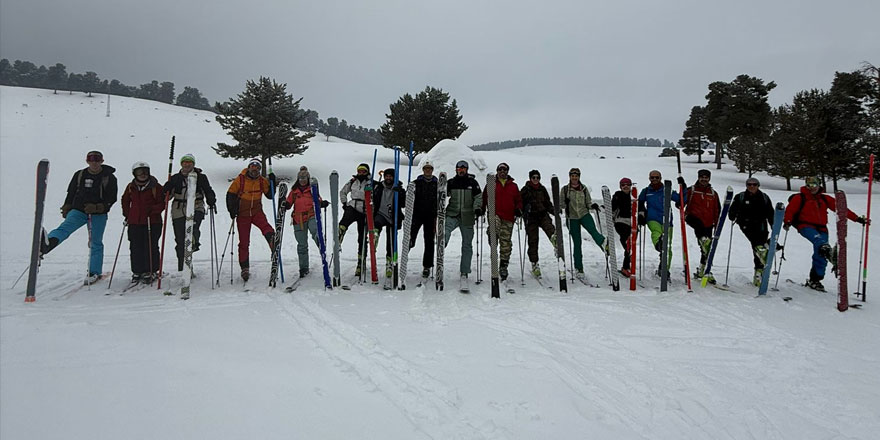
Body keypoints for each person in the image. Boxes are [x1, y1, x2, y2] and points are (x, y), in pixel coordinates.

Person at [41, 150, 118, 285]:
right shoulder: (80, 174)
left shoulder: (109, 178)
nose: (94, 162)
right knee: (65, 228)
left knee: (95, 242)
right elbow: (71, 192)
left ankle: (94, 272)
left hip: (98, 214)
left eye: (97, 159)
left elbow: (111, 199)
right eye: (91, 159)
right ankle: (48, 244)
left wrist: (98, 208)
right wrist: (67, 206)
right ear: (87, 161)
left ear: (102, 161)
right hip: (78, 210)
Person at [783, 176, 868, 291]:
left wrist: (857, 219)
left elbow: (842, 210)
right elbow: (790, 210)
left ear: (819, 185)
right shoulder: (799, 197)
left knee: (820, 253)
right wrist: (787, 222)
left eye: (814, 185)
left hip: (822, 228)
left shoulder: (825, 199)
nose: (812, 188)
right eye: (809, 185)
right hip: (805, 226)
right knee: (820, 243)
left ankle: (815, 279)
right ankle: (831, 255)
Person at [163, 153, 216, 272]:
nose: (187, 164)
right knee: (180, 239)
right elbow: (167, 195)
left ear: (193, 164)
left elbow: (208, 190)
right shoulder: (175, 178)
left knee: (192, 229)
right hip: (178, 208)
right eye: (185, 162)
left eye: (190, 162)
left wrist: (211, 199)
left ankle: (193, 243)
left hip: (196, 206)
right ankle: (184, 266)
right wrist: (165, 190)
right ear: (181, 164)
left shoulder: (201, 177)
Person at [226, 158, 276, 281]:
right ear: (249, 167)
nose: (254, 170)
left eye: (257, 168)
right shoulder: (240, 180)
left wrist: (273, 182)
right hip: (242, 214)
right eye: (252, 167)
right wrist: (231, 210)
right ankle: (244, 268)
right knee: (244, 242)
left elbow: (269, 195)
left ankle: (274, 244)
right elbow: (230, 194)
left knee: (267, 228)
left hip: (256, 212)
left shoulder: (262, 181)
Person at [121, 161, 166, 284]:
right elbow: (125, 200)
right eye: (140, 172)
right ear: (134, 173)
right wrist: (128, 214)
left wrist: (153, 210)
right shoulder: (131, 186)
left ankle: (151, 270)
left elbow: (163, 202)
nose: (143, 174)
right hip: (135, 222)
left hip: (152, 221)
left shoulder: (155, 187)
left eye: (145, 172)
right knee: (135, 246)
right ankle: (137, 270)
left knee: (150, 246)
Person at [282, 168, 329, 278]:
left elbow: (318, 200)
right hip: (298, 219)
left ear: (308, 179)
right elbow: (289, 202)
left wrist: (322, 204)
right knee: (302, 245)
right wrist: (285, 205)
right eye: (300, 178)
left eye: (304, 178)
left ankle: (321, 244)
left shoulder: (312, 189)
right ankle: (303, 267)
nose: (302, 180)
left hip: (311, 215)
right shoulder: (294, 191)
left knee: (315, 231)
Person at [561, 167, 606, 280]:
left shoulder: (584, 189)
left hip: (584, 214)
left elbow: (588, 203)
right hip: (572, 218)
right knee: (577, 243)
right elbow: (561, 204)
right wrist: (564, 204)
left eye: (576, 176)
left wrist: (593, 206)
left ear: (579, 177)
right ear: (570, 177)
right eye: (572, 176)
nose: (574, 178)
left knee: (593, 231)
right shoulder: (565, 189)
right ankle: (579, 268)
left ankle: (604, 244)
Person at [728, 177, 774, 285]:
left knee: (758, 249)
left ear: (758, 185)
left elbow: (770, 212)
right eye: (749, 184)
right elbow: (733, 210)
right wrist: (732, 216)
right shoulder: (741, 197)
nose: (752, 186)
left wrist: (773, 225)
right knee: (756, 244)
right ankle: (761, 254)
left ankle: (758, 273)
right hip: (746, 224)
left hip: (762, 225)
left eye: (754, 184)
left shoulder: (764, 197)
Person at [444, 160, 483, 289]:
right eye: (459, 168)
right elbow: (442, 195)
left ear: (467, 170)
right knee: (445, 231)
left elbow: (478, 197)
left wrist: (477, 208)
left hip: (467, 216)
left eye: (463, 168)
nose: (461, 170)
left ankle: (464, 272)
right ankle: (440, 246)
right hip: (452, 213)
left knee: (467, 244)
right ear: (456, 169)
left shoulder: (472, 183)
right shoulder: (451, 182)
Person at [482, 163, 522, 281]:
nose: (502, 171)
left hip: (509, 217)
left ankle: (503, 266)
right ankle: (492, 234)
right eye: (500, 169)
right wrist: (481, 208)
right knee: (494, 224)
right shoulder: (491, 184)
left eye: (505, 170)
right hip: (496, 214)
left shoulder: (513, 186)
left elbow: (518, 200)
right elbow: (485, 198)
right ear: (497, 171)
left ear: (508, 171)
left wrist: (519, 209)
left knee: (506, 243)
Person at [679, 169, 720, 283]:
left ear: (709, 179)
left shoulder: (713, 193)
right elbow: (680, 202)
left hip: (708, 223)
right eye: (702, 177)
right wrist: (683, 188)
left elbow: (717, 210)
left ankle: (703, 270)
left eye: (706, 177)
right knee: (704, 239)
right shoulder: (692, 190)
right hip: (693, 218)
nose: (704, 179)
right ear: (698, 177)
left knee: (706, 248)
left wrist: (717, 225)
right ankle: (703, 240)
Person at [638, 170, 680, 277]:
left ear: (660, 178)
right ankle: (658, 244)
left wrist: (683, 187)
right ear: (649, 178)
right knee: (656, 232)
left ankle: (664, 269)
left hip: (667, 220)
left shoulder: (667, 190)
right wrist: (641, 213)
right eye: (652, 178)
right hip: (652, 218)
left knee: (668, 246)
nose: (654, 180)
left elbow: (680, 199)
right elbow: (640, 202)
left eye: (657, 177)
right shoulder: (647, 191)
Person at [339, 163, 374, 277]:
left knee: (362, 238)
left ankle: (361, 262)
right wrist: (344, 203)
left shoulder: (371, 183)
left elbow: (375, 196)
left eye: (363, 171)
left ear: (367, 172)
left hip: (364, 211)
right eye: (360, 171)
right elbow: (343, 191)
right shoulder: (352, 181)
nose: (361, 173)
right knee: (343, 223)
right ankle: (339, 236)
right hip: (353, 206)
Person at [520, 169, 556, 278]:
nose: (536, 179)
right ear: (530, 178)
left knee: (549, 227)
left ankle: (555, 240)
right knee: (533, 240)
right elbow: (519, 203)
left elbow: (547, 203)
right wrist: (521, 212)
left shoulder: (542, 189)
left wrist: (554, 210)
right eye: (534, 177)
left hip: (542, 214)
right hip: (531, 217)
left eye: (537, 177)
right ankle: (534, 263)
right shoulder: (525, 190)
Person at [372, 168, 406, 278]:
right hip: (381, 214)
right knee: (376, 223)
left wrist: (400, 193)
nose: (388, 178)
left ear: (394, 177)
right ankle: (374, 237)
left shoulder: (399, 188)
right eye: (386, 176)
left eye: (390, 176)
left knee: (390, 241)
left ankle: (389, 262)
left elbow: (404, 204)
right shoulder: (379, 186)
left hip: (393, 217)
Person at [410, 161, 438, 278]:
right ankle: (402, 261)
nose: (427, 170)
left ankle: (427, 266)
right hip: (417, 214)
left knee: (429, 241)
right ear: (423, 169)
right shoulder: (416, 183)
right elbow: (409, 195)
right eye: (426, 168)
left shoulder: (437, 183)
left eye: (429, 168)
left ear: (432, 169)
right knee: (410, 238)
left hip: (431, 216)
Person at [611, 177, 636, 277]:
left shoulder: (634, 195)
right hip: (620, 222)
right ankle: (626, 267)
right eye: (623, 185)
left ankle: (625, 267)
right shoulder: (618, 195)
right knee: (627, 243)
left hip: (632, 223)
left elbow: (641, 207)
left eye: (628, 184)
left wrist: (642, 215)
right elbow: (612, 207)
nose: (625, 186)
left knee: (630, 246)